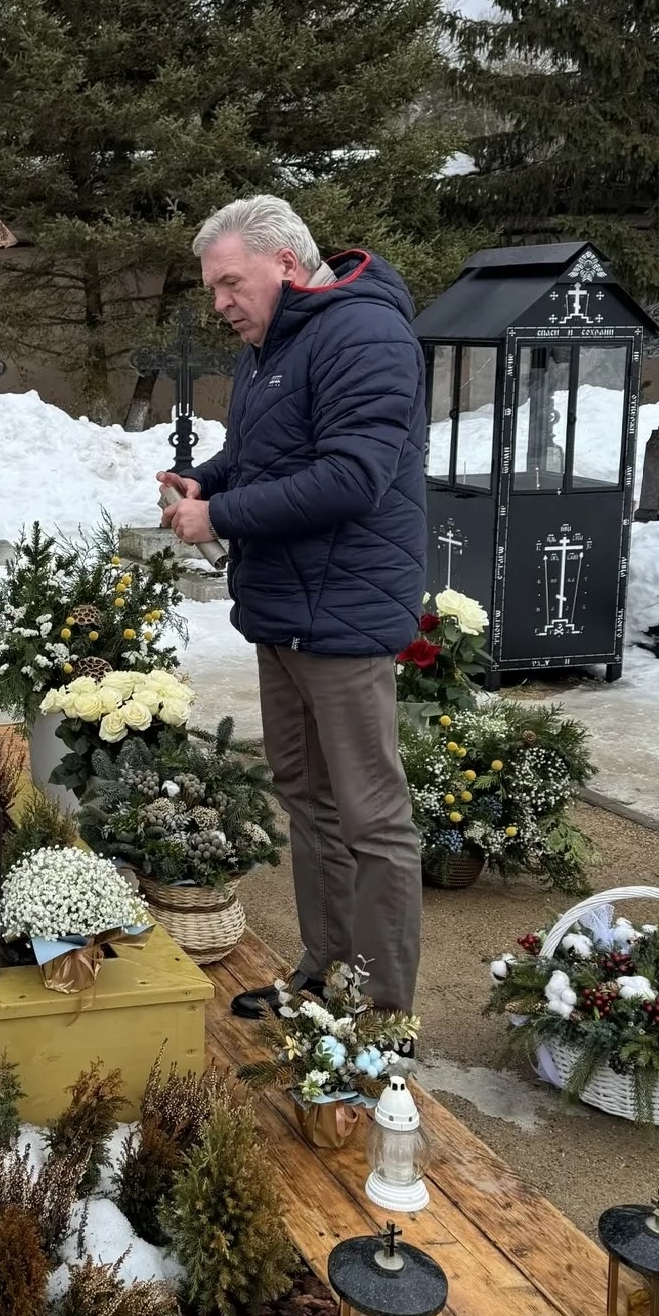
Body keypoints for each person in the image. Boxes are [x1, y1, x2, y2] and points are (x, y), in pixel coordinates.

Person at [160, 195, 426, 1017]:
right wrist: (207, 480)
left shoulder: (364, 333)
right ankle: (323, 975)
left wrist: (219, 516)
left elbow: (352, 477)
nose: (220, 303)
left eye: (229, 283)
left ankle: (379, 1017)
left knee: (372, 818)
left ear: (284, 262)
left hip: (344, 613)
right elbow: (260, 455)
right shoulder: (271, 345)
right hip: (284, 610)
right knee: (308, 802)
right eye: (212, 289)